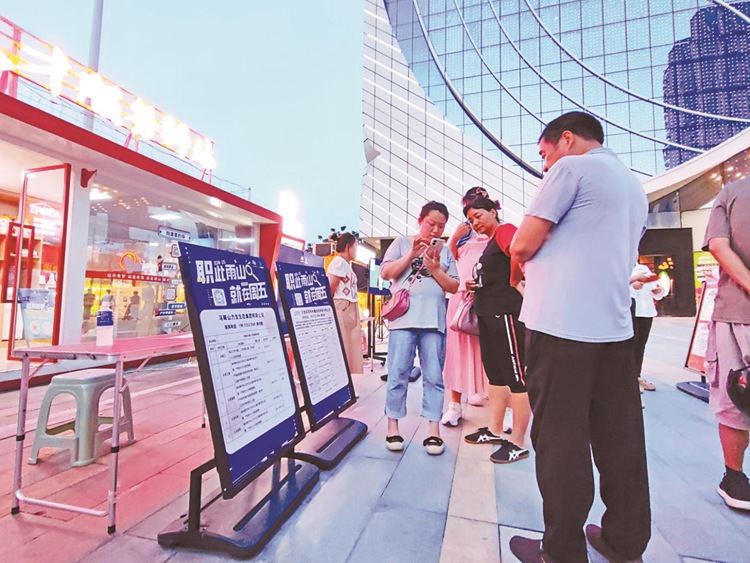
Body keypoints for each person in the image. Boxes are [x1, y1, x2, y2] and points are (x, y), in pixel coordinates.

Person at [508, 112, 650, 562]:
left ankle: (562, 550)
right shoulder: (632, 185)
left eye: (544, 154)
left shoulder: (573, 168)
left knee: (560, 440)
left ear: (565, 139)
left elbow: (523, 243)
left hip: (561, 326)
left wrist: (518, 274)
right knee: (619, 439)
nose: (545, 165)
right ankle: (624, 540)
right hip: (613, 329)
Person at [381, 201, 459, 456]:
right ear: (420, 220)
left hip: (433, 321)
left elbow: (453, 287)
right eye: (431, 224)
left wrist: (435, 269)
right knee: (398, 371)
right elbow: (386, 273)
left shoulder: (445, 252)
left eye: (441, 226)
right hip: (403, 320)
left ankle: (433, 430)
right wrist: (412, 255)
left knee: (434, 376)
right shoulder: (402, 243)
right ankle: (393, 425)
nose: (435, 230)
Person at [462, 196, 531, 464]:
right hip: (489, 314)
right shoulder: (489, 244)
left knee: (515, 375)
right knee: (496, 374)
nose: (475, 223)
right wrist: (477, 283)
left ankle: (518, 441)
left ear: (493, 212)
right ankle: (495, 429)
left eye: (478, 216)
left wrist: (514, 280)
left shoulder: (504, 230)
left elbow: (518, 252)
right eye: (470, 220)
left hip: (506, 313)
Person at [703, 177, 750, 511]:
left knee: (735, 393)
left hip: (738, 310)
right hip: (736, 311)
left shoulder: (733, 191)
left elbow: (719, 245)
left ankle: (735, 479)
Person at [441, 187, 492, 427]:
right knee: (456, 350)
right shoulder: (461, 234)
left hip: (487, 297)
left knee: (489, 351)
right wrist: (453, 239)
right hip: (460, 296)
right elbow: (446, 261)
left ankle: (486, 394)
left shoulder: (494, 231)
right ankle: (454, 405)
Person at [327, 233, 364, 375]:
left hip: (348, 308)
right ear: (348, 247)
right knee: (342, 345)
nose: (356, 251)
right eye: (355, 247)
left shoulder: (345, 264)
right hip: (342, 308)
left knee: (350, 346)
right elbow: (330, 287)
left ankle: (346, 382)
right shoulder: (338, 262)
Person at [630, 264, 666, 392]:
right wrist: (631, 285)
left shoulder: (644, 269)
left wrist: (658, 290)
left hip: (647, 311)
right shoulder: (622, 266)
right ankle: (630, 379)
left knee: (641, 345)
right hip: (631, 311)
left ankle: (637, 376)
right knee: (631, 345)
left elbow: (658, 286)